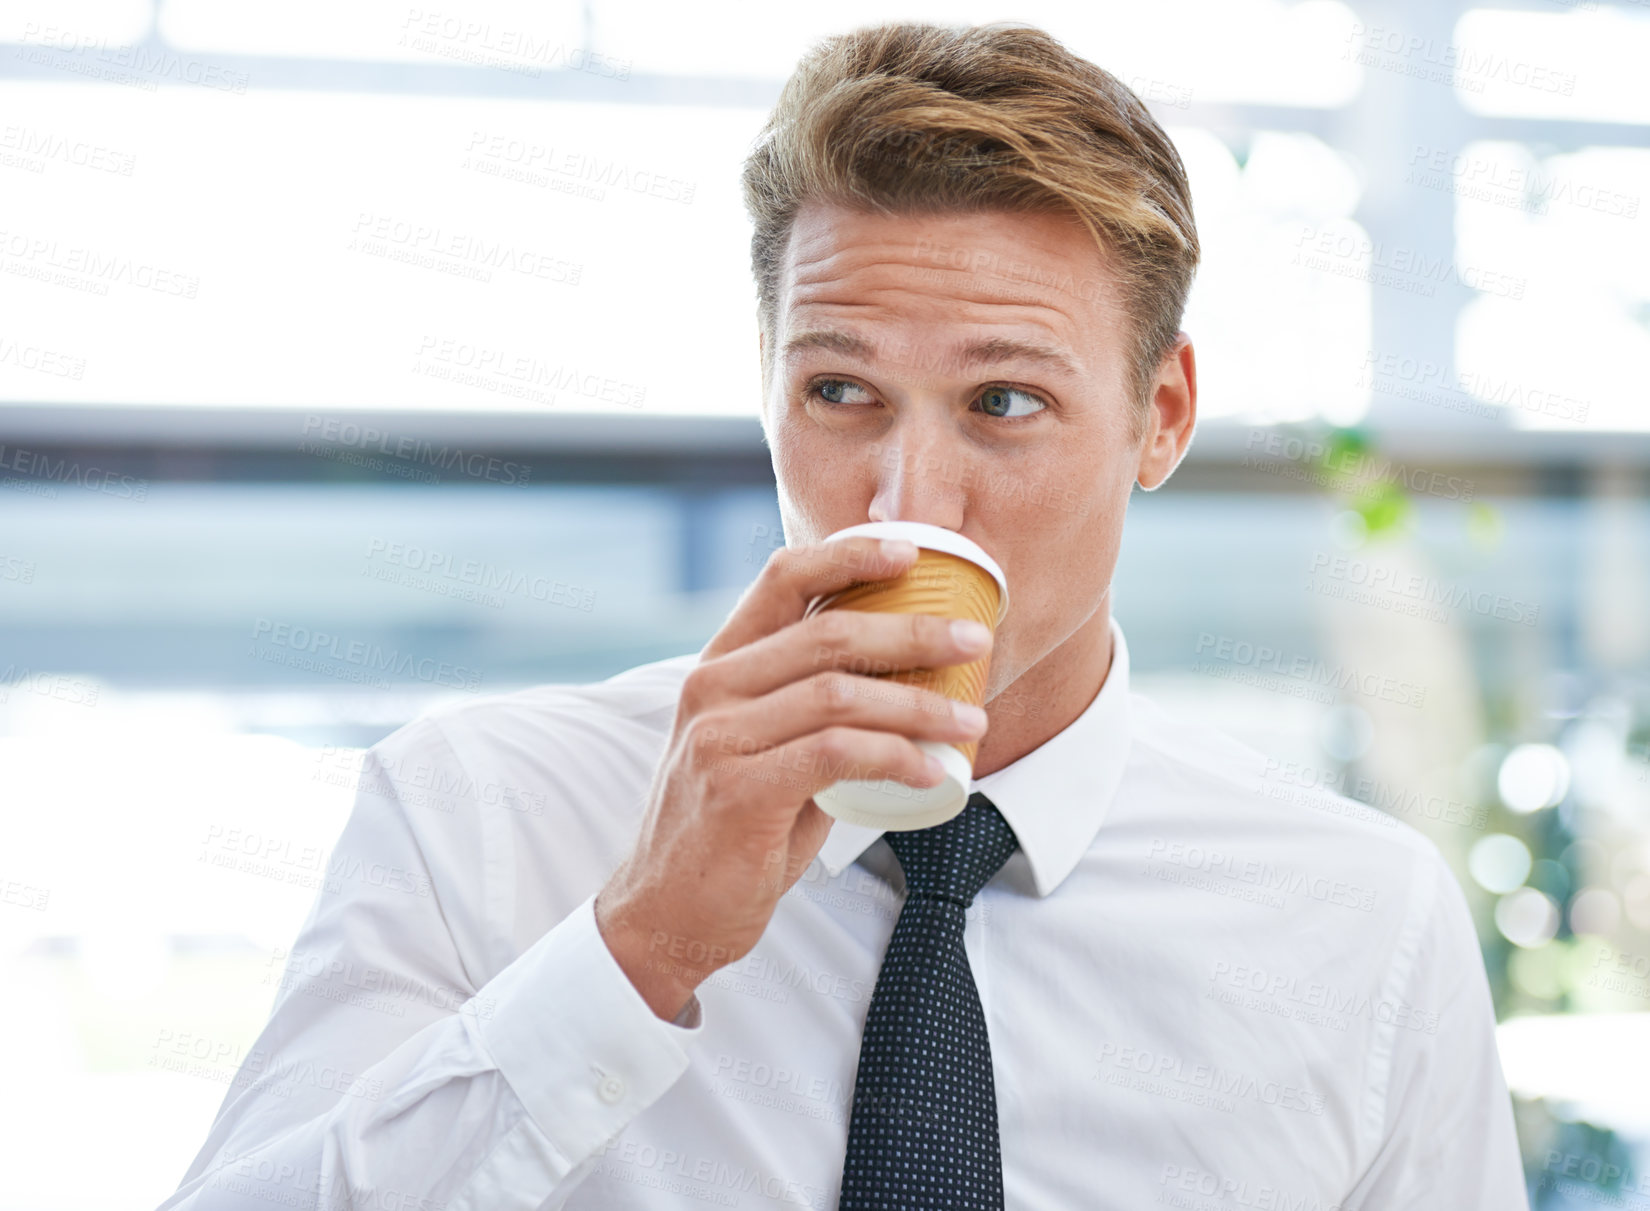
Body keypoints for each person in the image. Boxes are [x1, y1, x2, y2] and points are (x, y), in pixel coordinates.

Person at [161, 20, 1528, 1211]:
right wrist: (637, 948)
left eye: (1003, 402)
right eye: (837, 392)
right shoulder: (480, 811)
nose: (903, 495)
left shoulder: (1359, 919)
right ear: (766, 386)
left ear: (1157, 417)